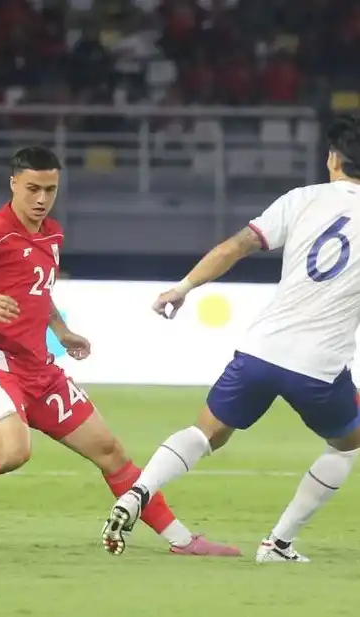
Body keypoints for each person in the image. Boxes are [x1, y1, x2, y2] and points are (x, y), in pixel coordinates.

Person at [0, 146, 240, 557]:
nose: (41, 199)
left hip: (39, 367)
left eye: (50, 189)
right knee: (13, 452)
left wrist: (62, 331)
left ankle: (181, 540)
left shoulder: (52, 234)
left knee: (111, 451)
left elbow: (39, 293)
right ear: (13, 184)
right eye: (32, 189)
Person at [102, 114, 360, 563]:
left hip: (260, 349)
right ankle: (278, 544)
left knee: (207, 433)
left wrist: (181, 288)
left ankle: (140, 489)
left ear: (332, 159)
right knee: (349, 443)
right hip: (319, 366)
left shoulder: (301, 199)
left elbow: (233, 247)